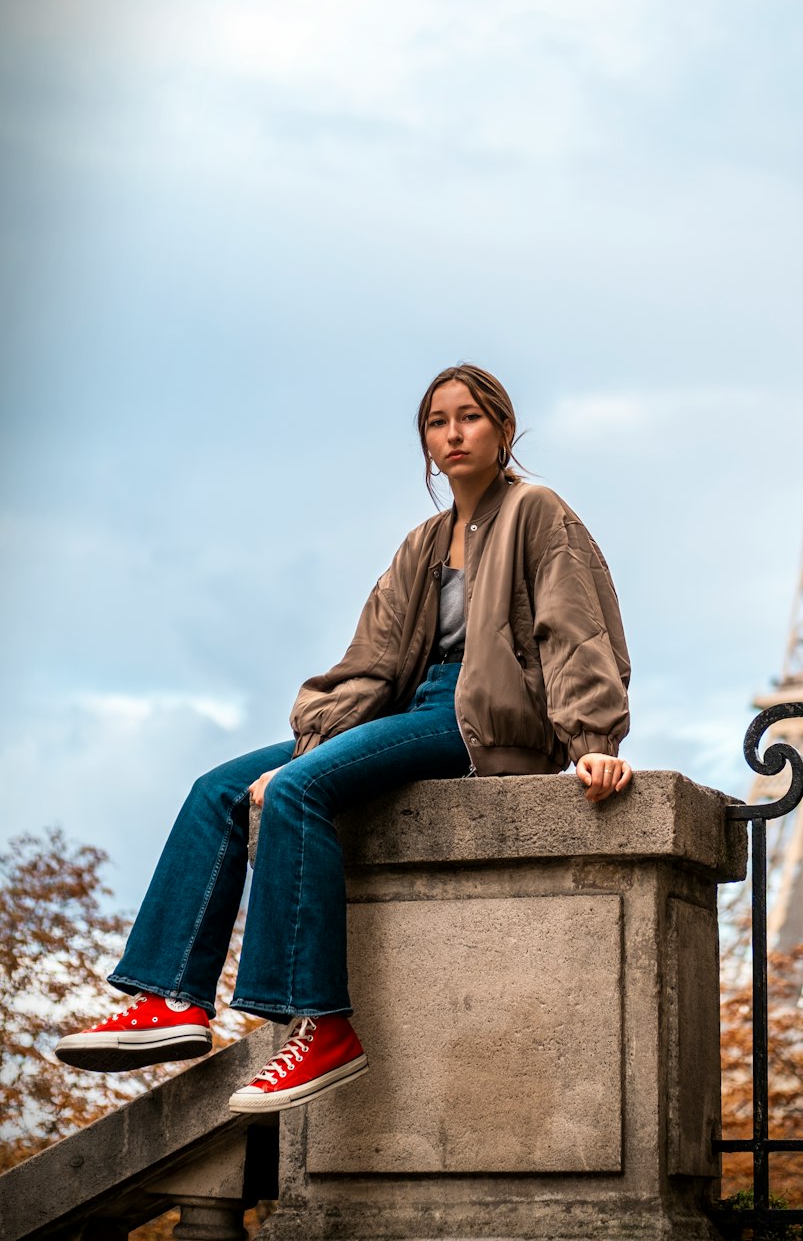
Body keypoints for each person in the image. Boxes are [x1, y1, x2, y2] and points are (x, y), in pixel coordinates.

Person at [55, 364, 632, 1113]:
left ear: (504, 430)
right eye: (437, 421)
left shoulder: (537, 511)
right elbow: (372, 662)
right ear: (425, 441)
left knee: (296, 795)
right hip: (413, 709)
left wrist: (593, 737)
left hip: (480, 720)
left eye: (469, 417)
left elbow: (573, 626)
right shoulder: (423, 543)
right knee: (218, 790)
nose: (453, 433)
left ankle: (322, 1027)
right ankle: (174, 1000)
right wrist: (312, 744)